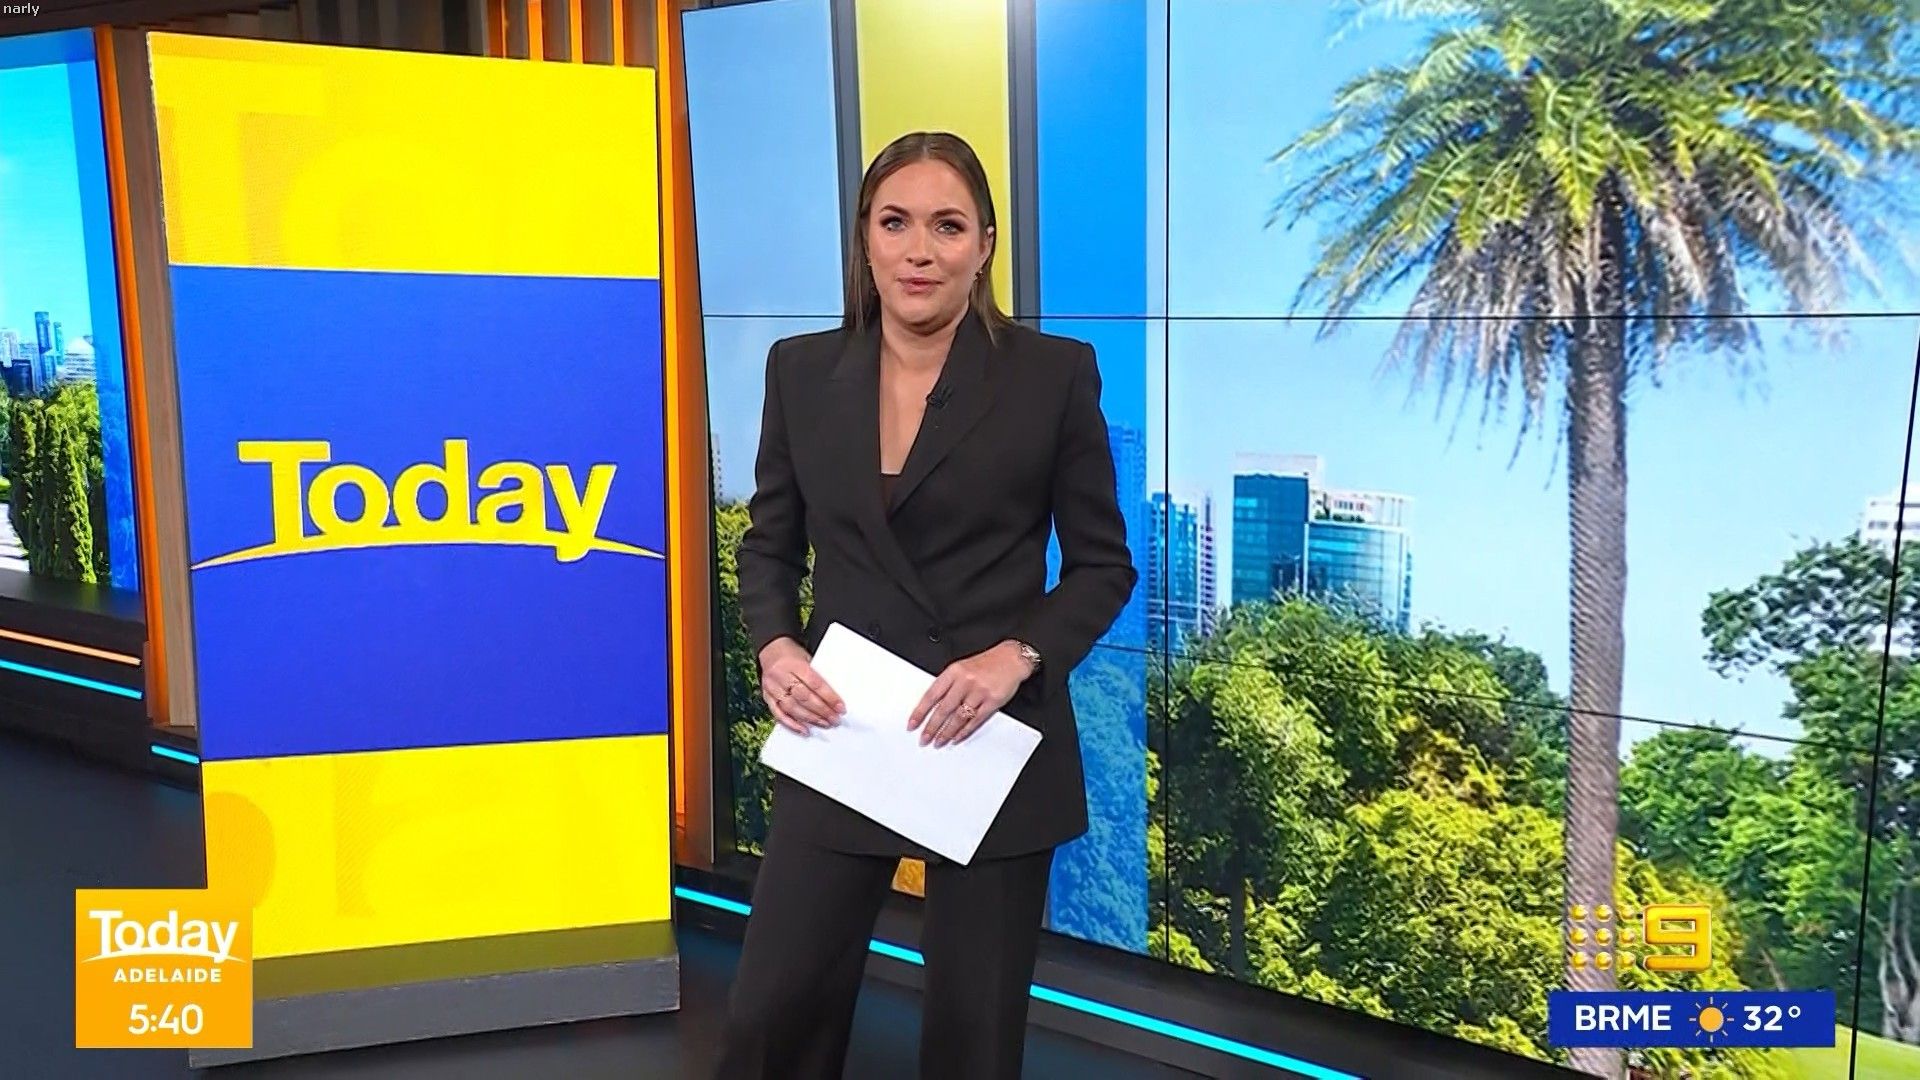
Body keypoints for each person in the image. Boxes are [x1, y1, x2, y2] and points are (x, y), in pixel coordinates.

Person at [713, 129, 1137, 1080]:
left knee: (971, 1045)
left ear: (985, 245)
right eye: (895, 222)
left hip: (987, 738)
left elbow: (1102, 567)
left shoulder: (1052, 375)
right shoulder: (799, 371)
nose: (919, 250)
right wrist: (776, 647)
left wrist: (1014, 658)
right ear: (864, 237)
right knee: (772, 1019)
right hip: (843, 731)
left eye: (947, 226)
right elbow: (769, 546)